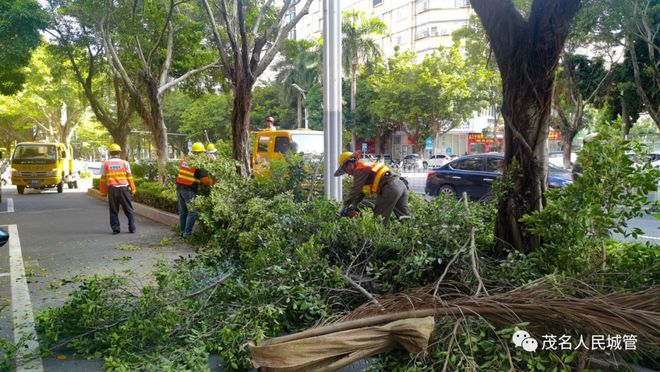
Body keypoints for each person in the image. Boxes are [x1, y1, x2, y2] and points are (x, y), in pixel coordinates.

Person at [334, 151, 410, 225]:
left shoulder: (359, 170)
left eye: (345, 169)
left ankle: (379, 237)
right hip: (400, 185)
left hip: (389, 188)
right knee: (404, 218)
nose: (347, 173)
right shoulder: (365, 166)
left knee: (379, 221)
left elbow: (355, 190)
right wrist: (353, 205)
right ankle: (410, 235)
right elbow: (361, 192)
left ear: (350, 164)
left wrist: (344, 205)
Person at [176, 142, 214, 238]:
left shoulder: (185, 159)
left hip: (179, 188)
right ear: (200, 153)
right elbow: (205, 181)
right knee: (192, 212)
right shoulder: (198, 164)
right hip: (189, 189)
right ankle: (187, 234)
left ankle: (182, 232)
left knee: (183, 211)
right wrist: (215, 182)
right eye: (203, 153)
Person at [99, 144, 136, 234]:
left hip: (112, 190)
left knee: (114, 210)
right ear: (119, 152)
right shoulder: (125, 163)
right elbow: (129, 178)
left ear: (110, 153)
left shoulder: (106, 164)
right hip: (124, 189)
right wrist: (133, 189)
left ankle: (116, 229)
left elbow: (103, 180)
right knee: (129, 209)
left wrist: (103, 192)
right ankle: (132, 228)